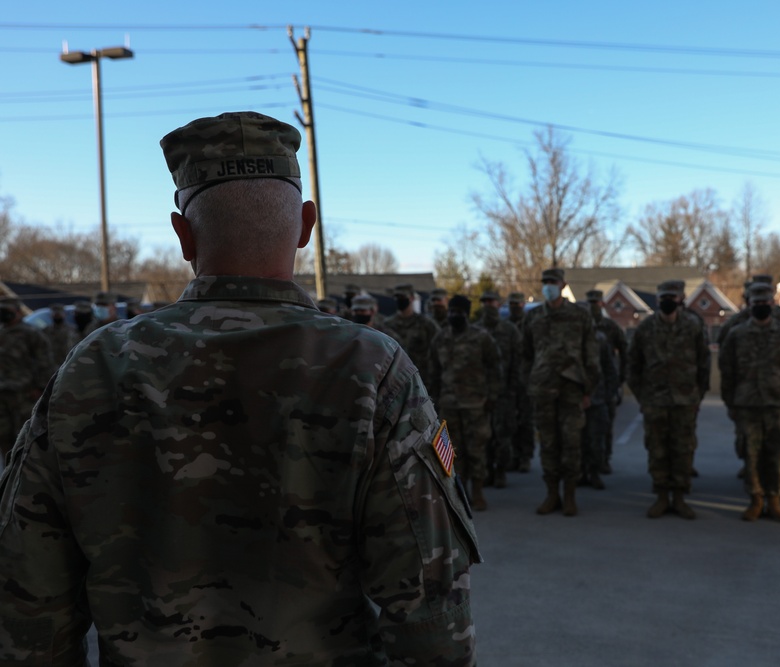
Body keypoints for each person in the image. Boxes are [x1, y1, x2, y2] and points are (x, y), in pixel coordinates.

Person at [0, 111, 480, 664]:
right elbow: (430, 605)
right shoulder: (372, 367)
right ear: (305, 225)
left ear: (183, 235)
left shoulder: (94, 366)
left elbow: (27, 598)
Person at [719, 283, 780, 523]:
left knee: (777, 454)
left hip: (778, 404)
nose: (761, 307)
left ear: (772, 304)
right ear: (750, 305)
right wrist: (731, 403)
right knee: (751, 453)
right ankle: (756, 500)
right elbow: (727, 371)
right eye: (757, 303)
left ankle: (775, 500)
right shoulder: (737, 334)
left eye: (765, 303)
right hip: (747, 405)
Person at [628, 281, 710, 519]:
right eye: (663, 297)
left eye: (672, 297)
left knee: (683, 451)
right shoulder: (645, 329)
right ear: (657, 300)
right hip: (655, 401)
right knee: (657, 450)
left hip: (684, 401)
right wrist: (642, 397)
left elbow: (704, 363)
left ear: (681, 299)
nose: (668, 301)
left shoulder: (693, 326)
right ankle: (662, 497)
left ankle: (680, 498)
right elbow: (633, 365)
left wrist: (698, 396)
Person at [522, 268, 599, 516]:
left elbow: (591, 355)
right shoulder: (533, 317)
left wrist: (588, 390)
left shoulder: (580, 315)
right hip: (543, 389)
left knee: (571, 444)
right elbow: (525, 355)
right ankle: (552, 493)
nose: (548, 286)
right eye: (544, 282)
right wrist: (530, 384)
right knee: (548, 444)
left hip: (571, 390)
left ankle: (569, 496)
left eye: (552, 282)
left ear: (563, 284)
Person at [429, 295, 501, 511]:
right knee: (451, 451)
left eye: (458, 312)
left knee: (476, 449)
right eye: (451, 311)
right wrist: (431, 402)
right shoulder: (440, 339)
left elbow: (495, 368)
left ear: (466, 314)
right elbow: (433, 373)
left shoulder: (482, 338)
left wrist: (492, 397)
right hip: (449, 405)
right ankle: (458, 492)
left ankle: (477, 492)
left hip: (476, 404)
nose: (453, 316)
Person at [477, 290, 522, 489]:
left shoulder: (510, 330)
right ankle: (486, 470)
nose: (488, 305)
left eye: (492, 302)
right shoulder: (475, 331)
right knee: (483, 435)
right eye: (485, 302)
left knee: (503, 435)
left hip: (504, 393)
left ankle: (501, 471)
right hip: (480, 393)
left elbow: (517, 361)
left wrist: (514, 390)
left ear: (498, 304)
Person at [0, 297, 54, 460]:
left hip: (25, 394)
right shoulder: (1, 332)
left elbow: (45, 362)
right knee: (4, 437)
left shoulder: (31, 333)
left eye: (7, 311)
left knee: (26, 439)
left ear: (17, 312)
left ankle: (25, 476)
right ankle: (8, 476)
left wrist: (41, 388)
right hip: (3, 394)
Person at [585, 289, 627, 474]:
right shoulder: (582, 327)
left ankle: (603, 460)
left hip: (604, 386)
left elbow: (625, 351)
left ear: (602, 304)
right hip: (586, 387)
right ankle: (585, 466)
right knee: (584, 431)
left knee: (605, 426)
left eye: (597, 302)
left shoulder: (610, 327)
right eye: (591, 302)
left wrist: (619, 380)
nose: (594, 306)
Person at [385, 283, 440, 381]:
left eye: (402, 297)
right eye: (397, 297)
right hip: (394, 379)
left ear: (411, 298)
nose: (399, 300)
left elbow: (437, 350)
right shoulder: (387, 325)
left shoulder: (426, 324)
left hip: (421, 379)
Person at [505, 291, 534, 471]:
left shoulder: (530, 325)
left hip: (526, 380)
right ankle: (513, 455)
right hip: (509, 380)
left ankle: (525, 456)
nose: (515, 307)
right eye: (512, 304)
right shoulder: (505, 326)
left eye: (518, 304)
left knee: (526, 420)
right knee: (510, 421)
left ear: (523, 304)